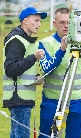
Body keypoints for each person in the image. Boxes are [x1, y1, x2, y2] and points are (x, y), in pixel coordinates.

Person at [38, 7, 81, 138]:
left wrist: (76, 85)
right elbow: (46, 68)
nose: (66, 26)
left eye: (69, 22)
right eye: (62, 22)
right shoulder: (45, 43)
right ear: (54, 24)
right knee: (46, 135)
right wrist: (61, 50)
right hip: (52, 99)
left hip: (76, 98)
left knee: (74, 135)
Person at [2, 7, 47, 138]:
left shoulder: (26, 40)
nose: (39, 24)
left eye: (40, 21)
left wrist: (36, 78)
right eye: (36, 20)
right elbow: (11, 69)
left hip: (23, 98)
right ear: (25, 21)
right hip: (18, 99)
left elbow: (21, 70)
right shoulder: (16, 40)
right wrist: (34, 57)